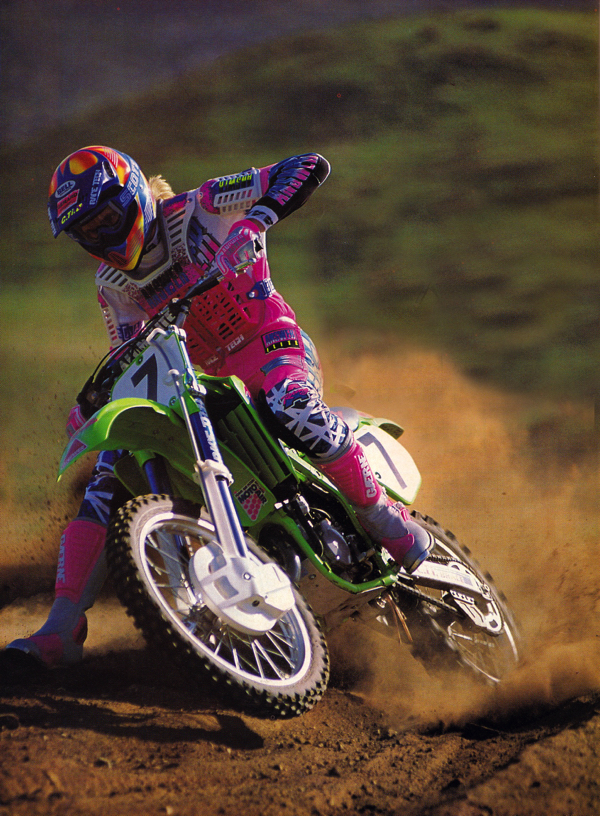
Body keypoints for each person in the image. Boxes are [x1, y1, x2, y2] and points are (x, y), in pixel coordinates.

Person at [2, 146, 432, 673]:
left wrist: (255, 221)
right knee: (109, 470)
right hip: (199, 384)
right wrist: (93, 403)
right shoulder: (110, 285)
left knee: (291, 406)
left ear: (134, 194)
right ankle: (63, 624)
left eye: (108, 218)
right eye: (87, 232)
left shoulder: (202, 207)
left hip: (270, 347)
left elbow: (307, 166)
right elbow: (127, 350)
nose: (103, 237)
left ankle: (382, 516)